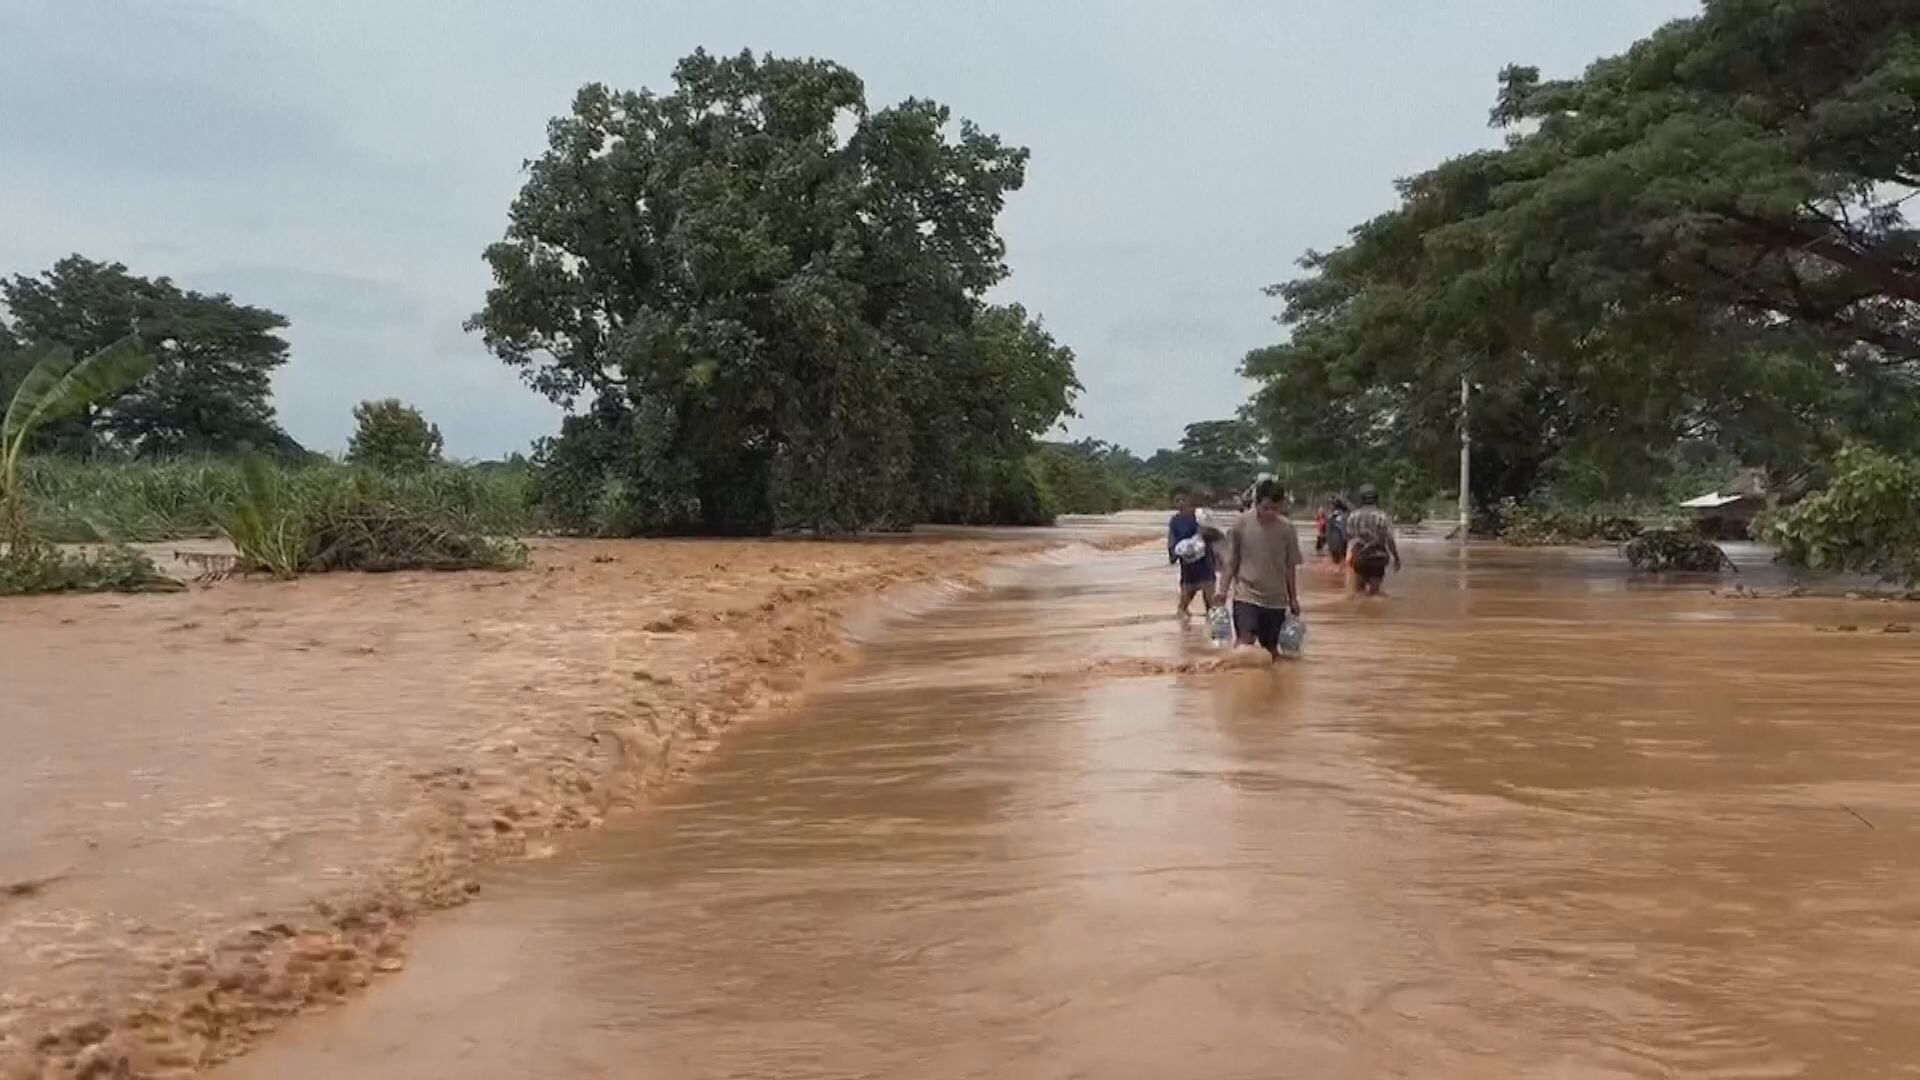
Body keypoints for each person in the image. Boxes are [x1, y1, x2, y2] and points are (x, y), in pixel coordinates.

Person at [1217, 479, 1303, 658]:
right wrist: (1222, 591)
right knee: (1244, 644)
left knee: (1271, 651)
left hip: (1276, 599)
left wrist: (1293, 598)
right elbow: (1231, 561)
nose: (1270, 513)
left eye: (1275, 508)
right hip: (1246, 595)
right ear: (1256, 502)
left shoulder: (1287, 529)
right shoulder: (1240, 524)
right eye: (1266, 508)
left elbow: (1290, 566)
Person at [1166, 489, 1218, 617]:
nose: (1181, 503)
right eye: (1177, 501)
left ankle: (1211, 633)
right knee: (1184, 604)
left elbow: (1215, 534)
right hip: (1188, 565)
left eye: (1183, 500)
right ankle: (1185, 629)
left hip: (1205, 562)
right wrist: (1172, 555)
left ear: (1190, 500)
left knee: (1211, 605)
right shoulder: (1175, 521)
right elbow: (1172, 540)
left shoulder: (1201, 516)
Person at [1344, 484, 1401, 596]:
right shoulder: (1382, 516)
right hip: (1377, 558)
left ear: (1361, 499)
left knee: (1358, 593)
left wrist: (1349, 556)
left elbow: (1349, 538)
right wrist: (1396, 558)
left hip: (1359, 557)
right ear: (1376, 499)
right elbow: (1389, 539)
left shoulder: (1353, 516)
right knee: (1375, 593)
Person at [1324, 496, 1351, 565]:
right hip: (1341, 544)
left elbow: (1328, 532)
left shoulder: (1332, 516)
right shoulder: (1345, 515)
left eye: (1331, 504)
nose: (1330, 506)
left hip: (1337, 544)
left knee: (1337, 562)